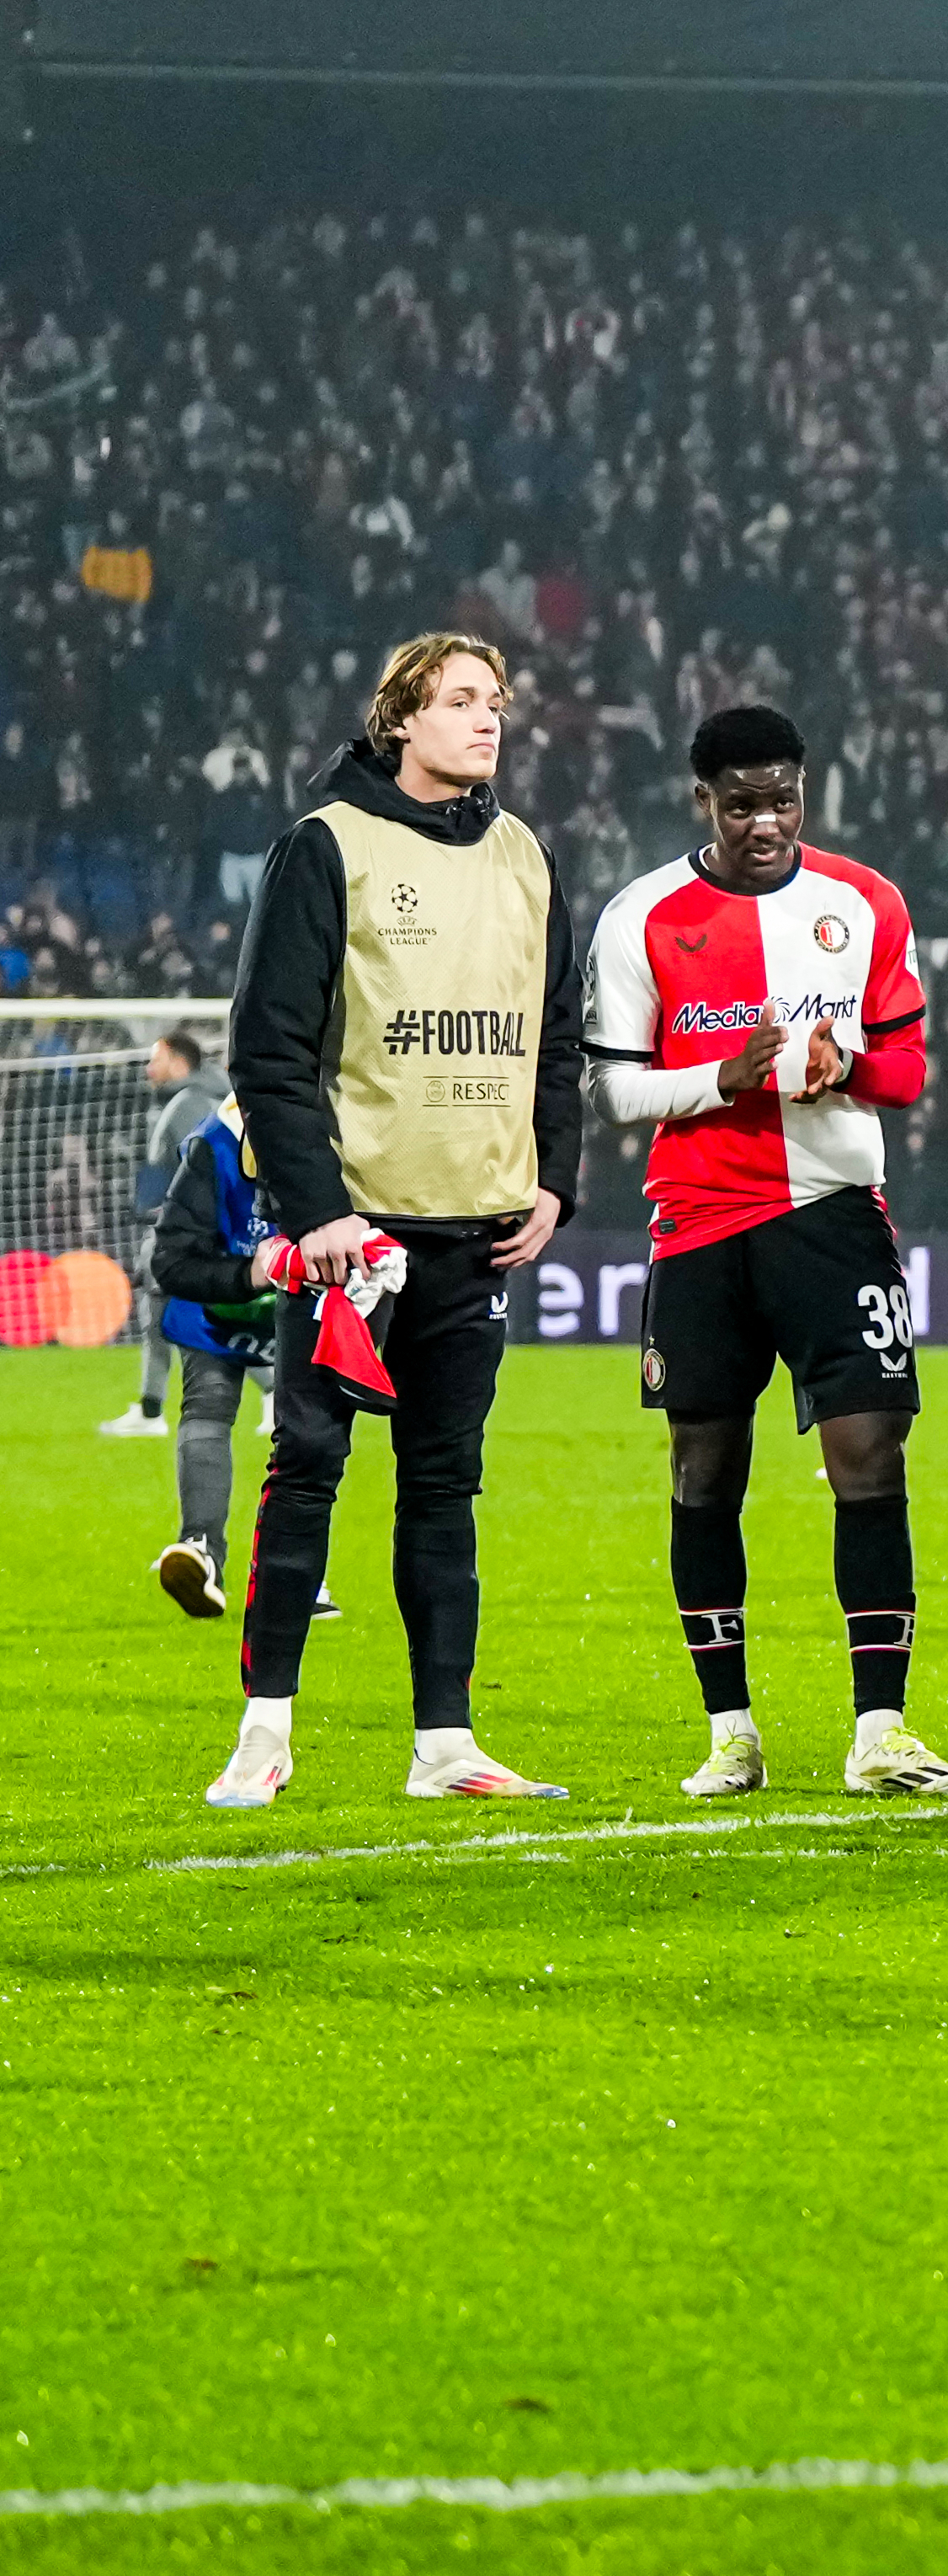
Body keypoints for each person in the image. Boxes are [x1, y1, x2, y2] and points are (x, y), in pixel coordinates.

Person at [208, 631, 590, 1809]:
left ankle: (446, 1743)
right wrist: (315, 1210)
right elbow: (267, 1051)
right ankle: (264, 1731)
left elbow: (556, 1039)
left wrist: (552, 1178)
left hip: (477, 1229)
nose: (489, 720)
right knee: (310, 1466)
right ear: (401, 721)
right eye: (463, 699)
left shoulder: (525, 856)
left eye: (498, 703)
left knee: (443, 1483)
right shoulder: (329, 846)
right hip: (356, 1238)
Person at [586, 701, 948, 1800]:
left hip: (833, 1214)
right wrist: (726, 1078)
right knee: (705, 1470)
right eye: (742, 803)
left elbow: (907, 1071)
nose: (766, 822)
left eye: (783, 799)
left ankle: (882, 1730)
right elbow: (615, 1085)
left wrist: (835, 1059)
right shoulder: (642, 917)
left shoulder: (864, 902)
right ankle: (732, 1733)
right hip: (700, 1220)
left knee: (871, 1450)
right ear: (702, 800)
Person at [138, 1060, 268, 1617]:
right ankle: (202, 1551)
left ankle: (295, 1573)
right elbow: (171, 1259)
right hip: (219, 1290)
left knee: (305, 1433)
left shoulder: (338, 1133)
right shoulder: (211, 1148)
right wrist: (247, 1277)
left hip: (300, 1293)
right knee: (210, 1408)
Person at [101, 1030, 215, 1439]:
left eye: (155, 1058)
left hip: (185, 1234)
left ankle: (275, 1395)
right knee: (159, 1319)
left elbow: (201, 1172)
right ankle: (149, 1412)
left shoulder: (191, 1104)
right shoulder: (178, 1101)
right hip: (167, 1228)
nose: (148, 1068)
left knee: (198, 1319)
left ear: (176, 1059)